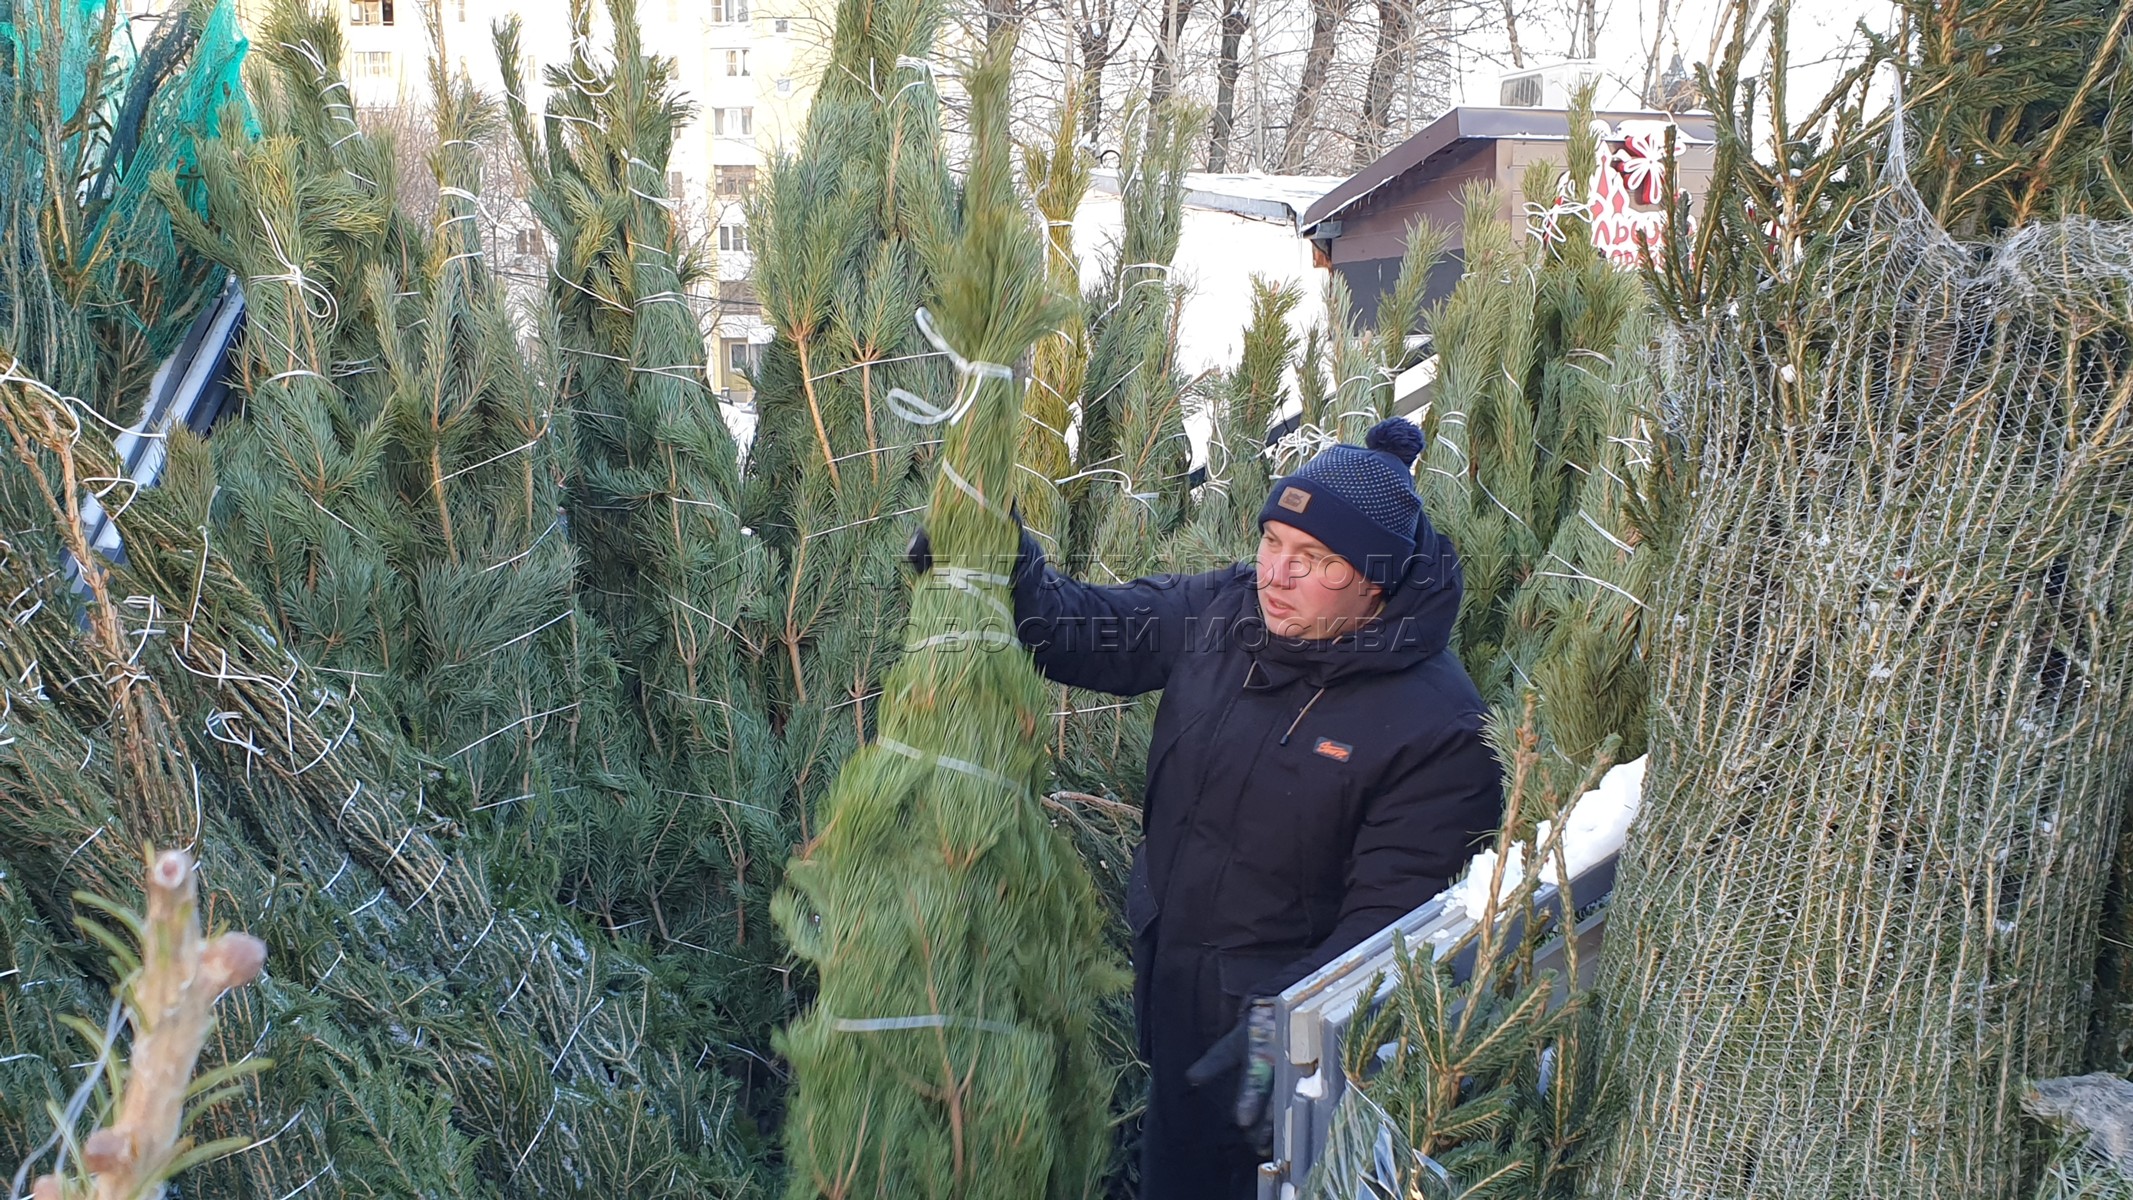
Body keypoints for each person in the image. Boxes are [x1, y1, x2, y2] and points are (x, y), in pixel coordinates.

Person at [909, 416, 1503, 1199]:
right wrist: (1000, 563)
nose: (1276, 575)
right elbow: (1081, 629)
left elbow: (1392, 927)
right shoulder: (1225, 613)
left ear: (1376, 580)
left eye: (1315, 560)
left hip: (1288, 1064)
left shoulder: (1438, 729)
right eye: (1272, 542)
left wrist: (1284, 1030)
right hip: (1179, 996)